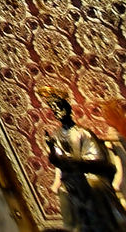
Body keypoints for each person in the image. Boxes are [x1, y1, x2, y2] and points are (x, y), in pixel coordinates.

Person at [48, 95, 126, 232]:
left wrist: (78, 163)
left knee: (93, 185)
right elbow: (59, 161)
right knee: (65, 190)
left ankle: (106, 226)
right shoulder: (57, 135)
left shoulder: (83, 133)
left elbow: (98, 159)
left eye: (60, 109)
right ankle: (74, 227)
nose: (58, 113)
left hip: (92, 173)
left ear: (67, 109)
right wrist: (52, 151)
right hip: (72, 175)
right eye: (54, 111)